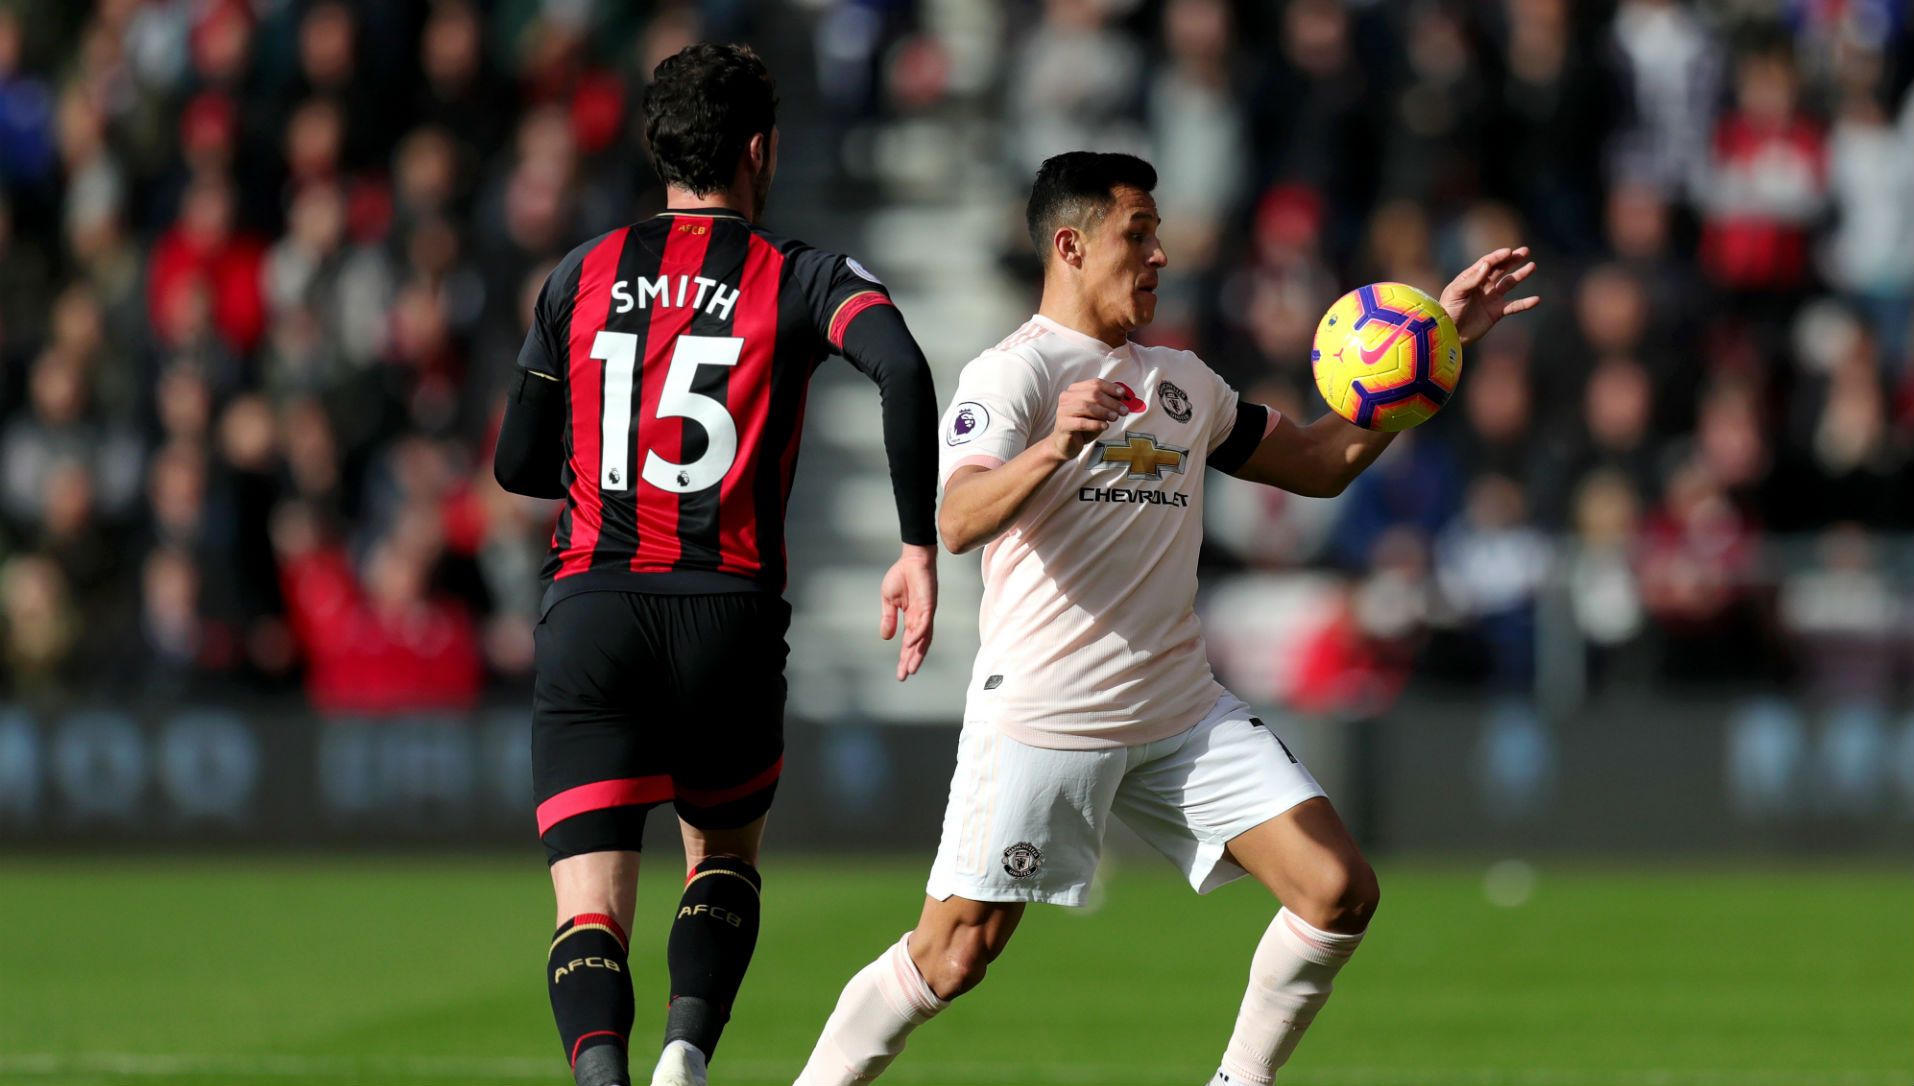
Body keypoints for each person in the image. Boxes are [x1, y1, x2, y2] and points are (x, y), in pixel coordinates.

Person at [791, 151, 1538, 1086]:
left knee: (1337, 889)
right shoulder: (1013, 374)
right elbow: (958, 518)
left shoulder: (1182, 380)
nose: (1160, 257)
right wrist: (1055, 445)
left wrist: (1430, 349)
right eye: (1138, 236)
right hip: (1049, 711)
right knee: (954, 955)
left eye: (1158, 236)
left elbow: (1317, 464)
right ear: (1071, 246)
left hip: (1178, 706)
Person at [492, 44, 941, 1086]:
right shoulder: (801, 274)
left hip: (593, 608)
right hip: (725, 611)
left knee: (588, 906)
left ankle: (602, 1076)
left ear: (659, 150)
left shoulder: (579, 273)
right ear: (760, 151)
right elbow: (902, 368)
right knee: (724, 858)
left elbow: (517, 464)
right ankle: (685, 1055)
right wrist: (916, 544)